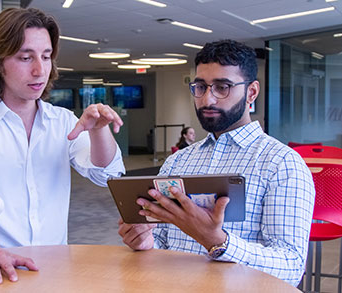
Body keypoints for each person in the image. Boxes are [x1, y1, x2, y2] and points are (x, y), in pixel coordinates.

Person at [0, 8, 125, 285]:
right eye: (26, 57)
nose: (40, 69)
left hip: (57, 271)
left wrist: (99, 132)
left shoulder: (62, 122)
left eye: (46, 56)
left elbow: (104, 173)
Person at [118, 39, 315, 286]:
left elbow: (291, 267)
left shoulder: (281, 163)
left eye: (223, 87)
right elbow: (164, 244)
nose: (208, 99)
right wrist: (147, 243)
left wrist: (218, 241)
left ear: (251, 92)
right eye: (200, 87)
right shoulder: (177, 161)